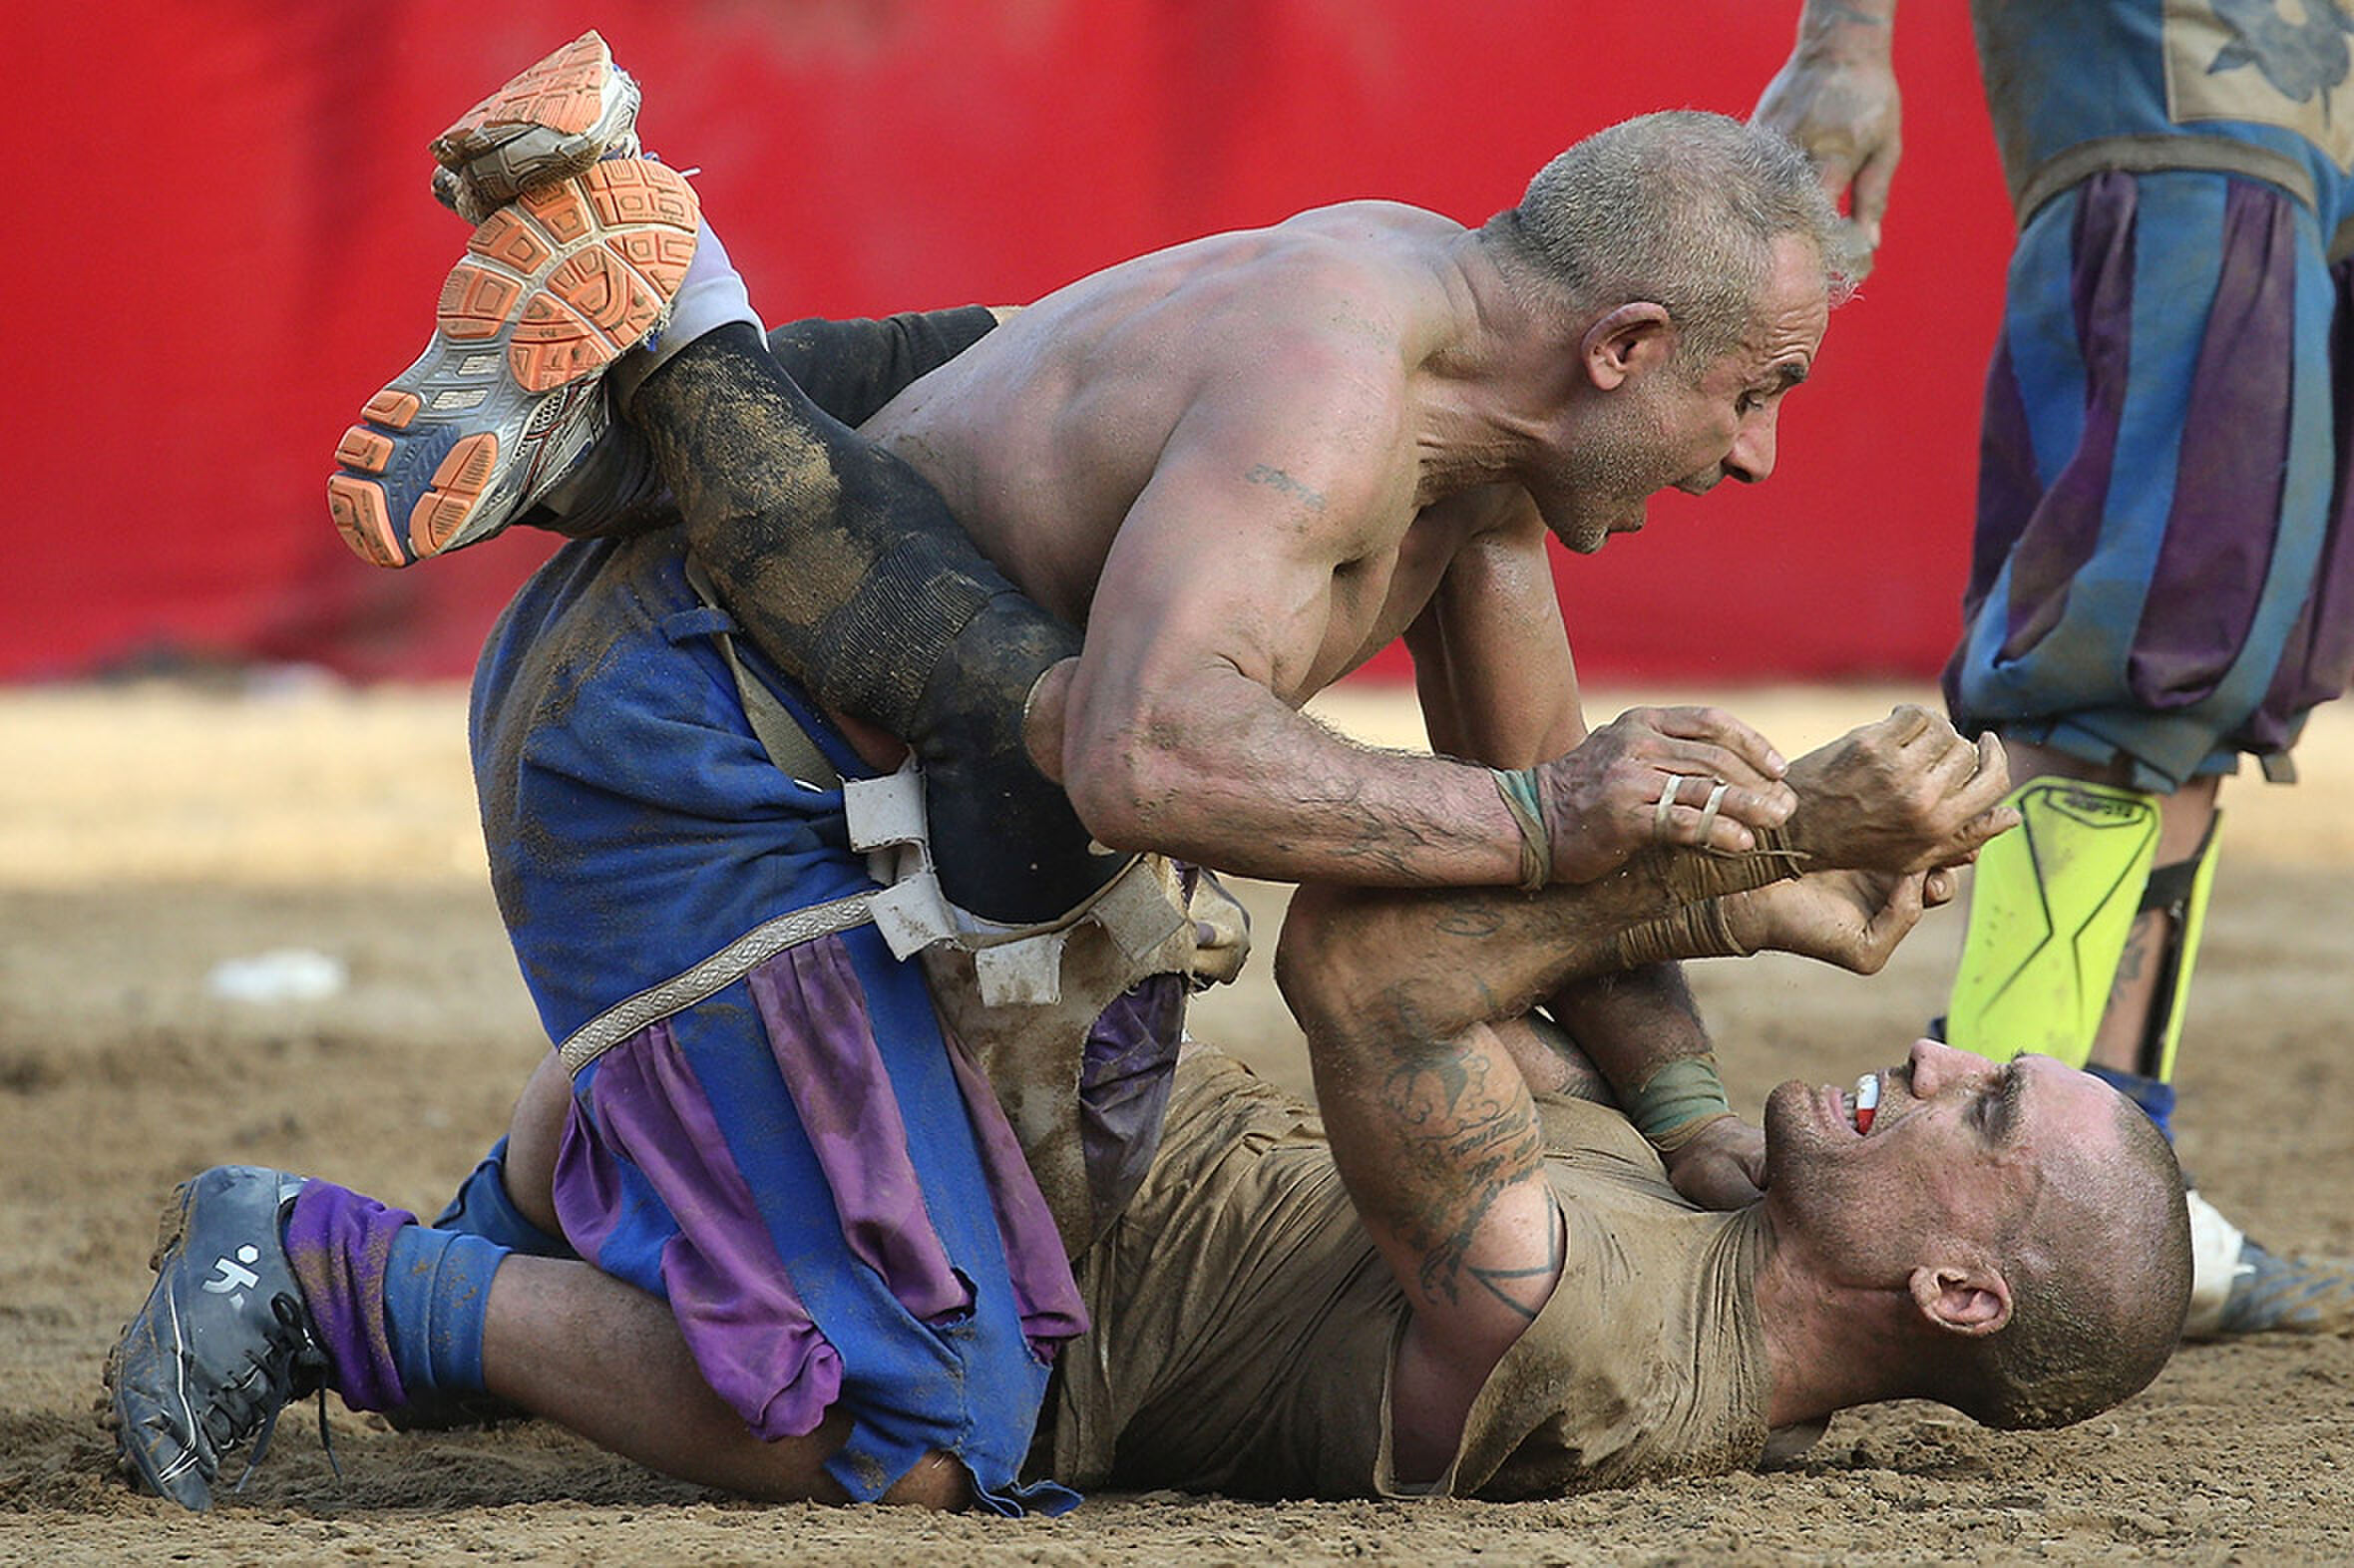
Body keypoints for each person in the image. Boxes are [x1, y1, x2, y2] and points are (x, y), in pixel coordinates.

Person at [101, 710, 2190, 1509]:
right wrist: (1760, 889)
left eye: (1982, 1105)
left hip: (953, 1136)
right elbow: (1556, 908)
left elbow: (1364, 964)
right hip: (952, 1122)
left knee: (930, 1431)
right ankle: (347, 1278)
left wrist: (1754, 871)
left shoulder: (1605, 1331)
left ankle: (479, 1243)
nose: (1932, 1050)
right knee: (932, 1424)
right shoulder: (1740, 1231)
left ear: (1959, 1292)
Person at [1752, 0, 2354, 1337]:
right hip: (2187, 88)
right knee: (2134, 645)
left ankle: (2123, 1186)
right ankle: (1976, 1207)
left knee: (2229, 667)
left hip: (2316, 150)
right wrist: (1844, 41)